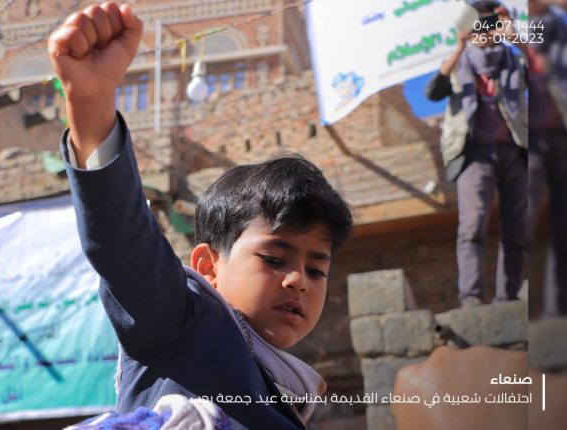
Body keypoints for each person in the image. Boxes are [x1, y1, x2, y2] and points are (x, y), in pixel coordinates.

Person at [48, 3, 353, 429]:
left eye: (316, 269)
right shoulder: (182, 322)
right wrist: (91, 102)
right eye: (274, 258)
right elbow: (123, 245)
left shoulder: (290, 396)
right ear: (208, 266)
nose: (298, 280)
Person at [425, 0, 528, 307]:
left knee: (516, 229)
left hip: (514, 150)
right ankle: (470, 300)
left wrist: (515, 34)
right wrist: (460, 45)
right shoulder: (459, 62)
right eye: (479, 24)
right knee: (472, 227)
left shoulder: (513, 58)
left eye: (490, 24)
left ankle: (507, 299)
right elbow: (433, 92)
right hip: (474, 154)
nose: (485, 31)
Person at [528, 0, 567, 317]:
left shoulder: (559, 24)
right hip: (531, 139)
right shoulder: (518, 22)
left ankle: (558, 309)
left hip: (566, 137)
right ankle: (512, 299)